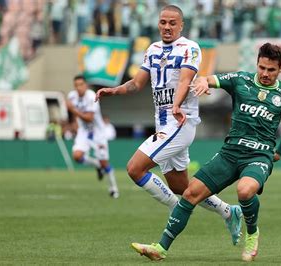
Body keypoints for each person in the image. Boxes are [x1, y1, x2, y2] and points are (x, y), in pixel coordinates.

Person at [130, 43, 281, 262]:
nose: (265, 74)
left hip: (258, 156)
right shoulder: (241, 80)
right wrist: (202, 81)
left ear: (280, 69)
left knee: (245, 191)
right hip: (230, 153)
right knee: (190, 194)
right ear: (257, 64)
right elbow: (211, 79)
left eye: (271, 70)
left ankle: (252, 233)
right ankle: (160, 249)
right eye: (262, 68)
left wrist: (279, 152)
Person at [95, 4, 242, 245]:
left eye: (172, 23)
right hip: (163, 124)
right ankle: (228, 211)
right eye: (163, 22)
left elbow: (185, 80)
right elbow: (137, 83)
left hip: (180, 123)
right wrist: (114, 90)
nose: (167, 27)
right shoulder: (152, 49)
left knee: (135, 168)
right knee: (180, 186)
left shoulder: (190, 48)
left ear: (181, 25)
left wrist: (176, 105)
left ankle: (178, 210)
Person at [67, 75, 119, 198]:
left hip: (98, 133)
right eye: (76, 85)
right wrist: (75, 123)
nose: (78, 87)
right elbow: (74, 114)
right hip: (84, 132)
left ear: (86, 85)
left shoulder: (91, 96)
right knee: (77, 156)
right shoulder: (72, 96)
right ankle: (97, 165)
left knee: (104, 163)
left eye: (81, 84)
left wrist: (73, 110)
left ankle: (113, 188)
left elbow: (89, 118)